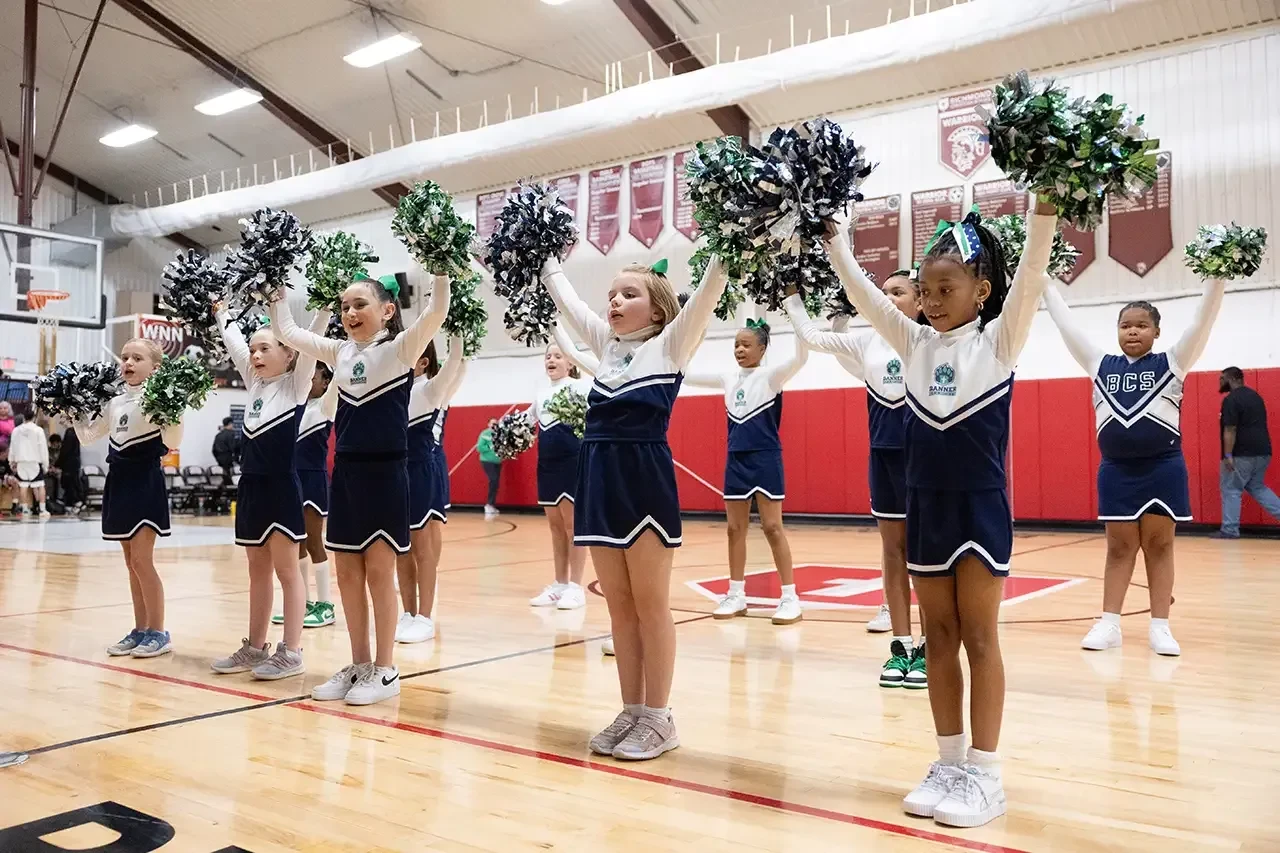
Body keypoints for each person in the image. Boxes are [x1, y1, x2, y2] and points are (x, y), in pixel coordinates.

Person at [828, 199, 1058, 827]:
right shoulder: (911, 340)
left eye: (945, 288)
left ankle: (986, 771)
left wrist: (1046, 209)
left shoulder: (999, 338)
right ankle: (950, 761)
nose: (930, 299)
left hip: (979, 508)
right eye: (924, 289)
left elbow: (1033, 272)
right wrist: (836, 242)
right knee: (939, 641)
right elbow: (868, 297)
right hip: (923, 506)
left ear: (981, 291)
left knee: (980, 637)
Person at [541, 253, 728, 761]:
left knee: (650, 604)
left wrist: (728, 243)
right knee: (619, 607)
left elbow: (709, 289)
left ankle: (660, 717)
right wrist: (546, 261)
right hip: (598, 481)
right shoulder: (606, 349)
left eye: (629, 295)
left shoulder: (671, 344)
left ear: (660, 311)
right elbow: (572, 305)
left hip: (643, 481)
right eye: (612, 295)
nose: (615, 302)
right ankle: (632, 709)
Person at [269, 269, 449, 706]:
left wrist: (440, 270)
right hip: (345, 474)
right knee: (348, 573)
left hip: (388, 474)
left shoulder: (401, 347)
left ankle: (386, 670)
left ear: (387, 311)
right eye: (345, 306)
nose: (350, 312)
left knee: (378, 573)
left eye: (359, 304)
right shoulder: (338, 352)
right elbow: (288, 332)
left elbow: (436, 311)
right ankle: (360, 663)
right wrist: (274, 290)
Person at [1044, 276, 1224, 657]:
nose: (1133, 331)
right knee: (1119, 547)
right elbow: (1067, 326)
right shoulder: (1099, 364)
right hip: (1117, 470)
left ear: (1157, 332)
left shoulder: (1173, 362)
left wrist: (1216, 280)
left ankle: (1160, 626)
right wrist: (1044, 283)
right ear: (1117, 331)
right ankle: (1109, 623)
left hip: (1163, 467)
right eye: (1126, 325)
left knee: (1159, 545)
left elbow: (1202, 322)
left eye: (1142, 325)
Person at [785, 272, 927, 688]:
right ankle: (902, 646)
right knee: (893, 552)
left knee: (931, 557)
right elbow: (812, 337)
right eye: (882, 293)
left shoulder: (931, 341)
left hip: (927, 461)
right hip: (884, 461)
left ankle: (932, 643)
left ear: (921, 302)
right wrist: (791, 293)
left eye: (897, 293)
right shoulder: (868, 343)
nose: (886, 299)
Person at [208, 305, 328, 681]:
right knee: (256, 570)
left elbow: (310, 345)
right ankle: (254, 647)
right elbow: (233, 344)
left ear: (289, 353)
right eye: (254, 349)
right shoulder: (254, 383)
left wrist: (323, 307)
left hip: (281, 486)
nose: (256, 355)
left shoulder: (296, 384)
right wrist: (221, 313)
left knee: (287, 571)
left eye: (265, 349)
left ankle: (292, 652)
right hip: (251, 487)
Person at [684, 319, 808, 625]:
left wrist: (798, 321)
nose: (739, 349)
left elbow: (801, 358)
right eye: (736, 345)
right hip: (736, 460)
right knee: (734, 529)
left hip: (766, 459)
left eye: (746, 344)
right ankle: (736, 594)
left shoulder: (772, 376)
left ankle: (790, 597)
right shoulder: (729, 377)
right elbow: (684, 374)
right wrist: (693, 336)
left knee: (772, 527)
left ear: (762, 349)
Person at [77, 338, 186, 659]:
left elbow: (174, 440)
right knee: (130, 563)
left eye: (137, 358)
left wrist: (172, 410)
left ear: (156, 367)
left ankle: (159, 632)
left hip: (145, 480)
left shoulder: (159, 398)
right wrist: (73, 411)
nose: (128, 363)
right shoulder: (116, 400)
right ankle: (140, 630)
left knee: (142, 560)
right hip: (119, 480)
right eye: (125, 357)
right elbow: (88, 436)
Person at [396, 336, 467, 644]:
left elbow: (456, 364)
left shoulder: (431, 387)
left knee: (423, 550)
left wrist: (459, 334)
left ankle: (425, 616)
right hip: (396, 472)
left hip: (424, 470)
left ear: (423, 362)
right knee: (401, 549)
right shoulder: (396, 392)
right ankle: (408, 612)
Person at [526, 326, 596, 610]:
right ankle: (559, 583)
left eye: (557, 356)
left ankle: (576, 587)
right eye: (548, 357)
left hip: (572, 463)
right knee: (555, 527)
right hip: (547, 465)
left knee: (572, 525)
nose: (551, 361)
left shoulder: (582, 386)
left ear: (570, 362)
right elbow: (527, 423)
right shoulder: (541, 393)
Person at [281, 363, 337, 628]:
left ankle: (326, 604)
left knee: (314, 541)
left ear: (326, 382)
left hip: (313, 478)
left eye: (313, 377)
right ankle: (301, 602)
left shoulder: (326, 405)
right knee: (298, 542)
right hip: (293, 478)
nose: (307, 382)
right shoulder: (296, 406)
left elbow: (341, 378)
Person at [1217, 366, 1280, 537]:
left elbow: (1230, 429)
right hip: (1263, 452)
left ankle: (1230, 530)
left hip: (1242, 454)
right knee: (1257, 487)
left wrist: (1228, 455)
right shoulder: (1255, 397)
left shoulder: (1231, 400)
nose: (1220, 382)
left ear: (1231, 379)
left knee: (1231, 489)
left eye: (1222, 378)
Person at [10, 411, 50, 519]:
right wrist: (45, 463)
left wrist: (11, 461)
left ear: (24, 417)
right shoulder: (38, 430)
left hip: (21, 461)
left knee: (23, 485)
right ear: (34, 417)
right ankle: (42, 509)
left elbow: (12, 446)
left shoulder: (16, 430)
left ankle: (25, 510)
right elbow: (43, 448)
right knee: (40, 485)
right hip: (35, 461)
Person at [476, 421, 502, 518]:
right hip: (487, 461)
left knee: (496, 483)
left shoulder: (499, 433)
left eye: (496, 423)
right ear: (488, 424)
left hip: (497, 462)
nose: (494, 425)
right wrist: (490, 446)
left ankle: (492, 505)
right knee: (493, 479)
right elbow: (479, 448)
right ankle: (488, 505)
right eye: (492, 423)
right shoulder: (484, 434)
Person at [56, 425, 84, 513]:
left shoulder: (70, 433)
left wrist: (58, 464)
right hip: (75, 463)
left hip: (69, 464)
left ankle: (71, 504)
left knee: (69, 485)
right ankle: (77, 502)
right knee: (74, 483)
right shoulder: (77, 431)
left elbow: (65, 450)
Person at [212, 416, 239, 481]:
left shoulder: (218, 435)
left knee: (224, 477)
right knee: (231, 478)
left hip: (220, 461)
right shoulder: (231, 434)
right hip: (229, 460)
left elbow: (213, 450)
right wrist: (235, 459)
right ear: (230, 424)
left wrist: (219, 459)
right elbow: (233, 447)